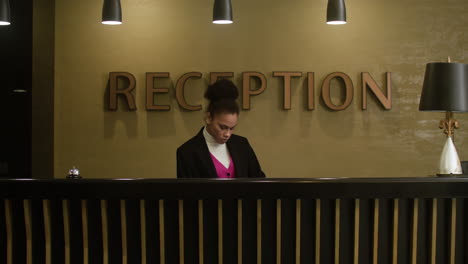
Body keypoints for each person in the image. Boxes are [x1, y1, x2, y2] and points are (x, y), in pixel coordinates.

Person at [177, 79, 265, 178]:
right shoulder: (187, 152)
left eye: (232, 128)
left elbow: (258, 181)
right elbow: (186, 192)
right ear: (209, 118)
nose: (227, 134)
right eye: (222, 127)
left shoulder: (242, 144)